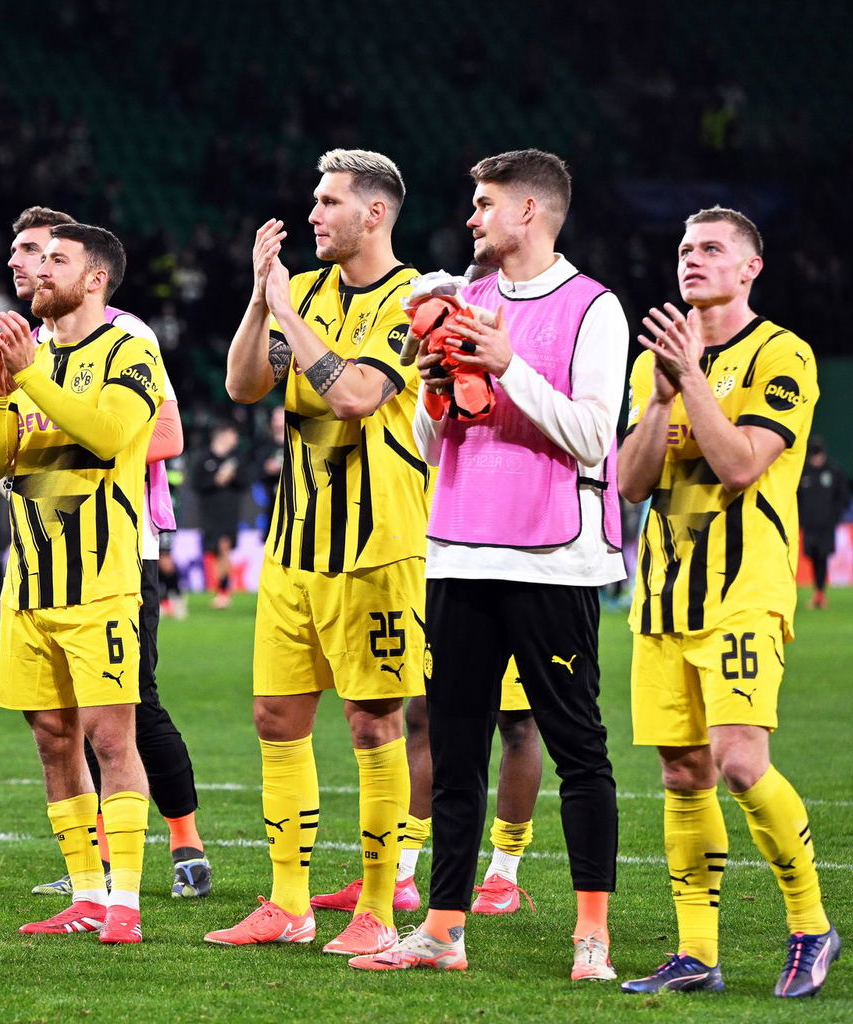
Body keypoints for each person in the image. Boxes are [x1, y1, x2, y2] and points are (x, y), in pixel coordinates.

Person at [354, 149, 624, 980]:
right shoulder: (461, 301)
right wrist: (438, 393)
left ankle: (592, 935)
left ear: (530, 212)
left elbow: (592, 438)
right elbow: (436, 445)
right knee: (454, 747)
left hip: (554, 561)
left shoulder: (593, 309)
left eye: (484, 204)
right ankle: (442, 930)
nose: (471, 218)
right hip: (461, 549)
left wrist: (510, 368)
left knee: (577, 749)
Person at [205, 150, 427, 956]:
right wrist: (262, 301)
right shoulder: (304, 293)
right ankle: (289, 902)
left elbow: (358, 394)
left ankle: (376, 907)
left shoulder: (418, 300)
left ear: (375, 213)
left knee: (373, 723)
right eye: (313, 198)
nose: (313, 213)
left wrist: (291, 314)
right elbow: (242, 386)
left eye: (330, 201)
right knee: (276, 716)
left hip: (378, 550)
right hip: (295, 548)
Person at [617, 207, 836, 998]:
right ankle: (697, 953)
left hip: (745, 591)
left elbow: (743, 463)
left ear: (751, 269)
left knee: (740, 762)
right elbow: (634, 482)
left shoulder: (784, 354)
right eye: (684, 248)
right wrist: (663, 394)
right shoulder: (660, 365)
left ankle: (812, 926)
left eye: (711, 249)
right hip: (664, 597)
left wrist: (694, 381)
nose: (692, 260)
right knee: (682, 774)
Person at [4, 206, 210, 899]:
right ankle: (88, 875)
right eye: (22, 256)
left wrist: (65, 458)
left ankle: (185, 846)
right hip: (46, 551)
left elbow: (167, 435)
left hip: (119, 545)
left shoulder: (127, 335)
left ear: (84, 270)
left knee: (131, 708)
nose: (24, 266)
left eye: (38, 254)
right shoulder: (37, 343)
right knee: (60, 725)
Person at [0, 222, 161, 944]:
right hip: (29, 585)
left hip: (101, 583)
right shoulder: (31, 357)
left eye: (58, 259)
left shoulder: (130, 351)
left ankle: (126, 904)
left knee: (112, 740)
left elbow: (110, 436)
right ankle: (84, 893)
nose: (40, 268)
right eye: (37, 257)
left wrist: (31, 377)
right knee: (54, 740)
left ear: (96, 279)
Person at [320, 662, 541, 918]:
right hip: (455, 622)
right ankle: (400, 873)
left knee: (515, 719)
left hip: (518, 622)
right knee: (422, 712)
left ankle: (503, 874)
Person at [192, 422, 249, 609]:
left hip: (230, 512)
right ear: (222, 435)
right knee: (215, 551)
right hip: (209, 513)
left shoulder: (236, 459)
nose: (236, 440)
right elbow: (196, 484)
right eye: (233, 436)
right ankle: (221, 590)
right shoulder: (204, 458)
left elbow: (245, 482)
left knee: (224, 547)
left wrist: (233, 477)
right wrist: (215, 481)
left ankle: (224, 591)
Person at [798, 436, 847, 609]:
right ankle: (817, 591)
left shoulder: (833, 471)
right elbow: (795, 497)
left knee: (823, 557)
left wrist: (834, 516)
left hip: (826, 526)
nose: (816, 457)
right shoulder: (803, 472)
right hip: (809, 525)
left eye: (818, 452)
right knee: (813, 557)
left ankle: (820, 594)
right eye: (813, 453)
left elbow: (843, 496)